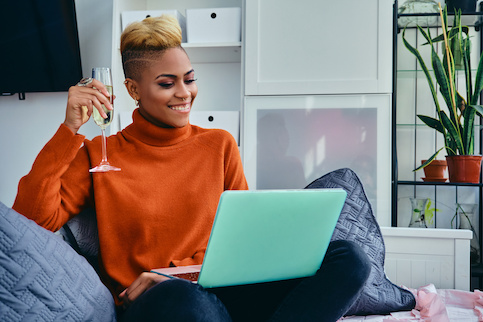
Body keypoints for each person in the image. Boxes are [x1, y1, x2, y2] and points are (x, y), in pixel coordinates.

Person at [13, 15, 370, 321]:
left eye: (189, 78)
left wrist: (179, 274)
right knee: (185, 301)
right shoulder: (99, 153)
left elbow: (243, 240)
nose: (184, 92)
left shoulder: (219, 144)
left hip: (216, 288)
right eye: (167, 84)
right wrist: (69, 131)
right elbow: (30, 223)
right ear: (133, 89)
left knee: (350, 258)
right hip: (161, 304)